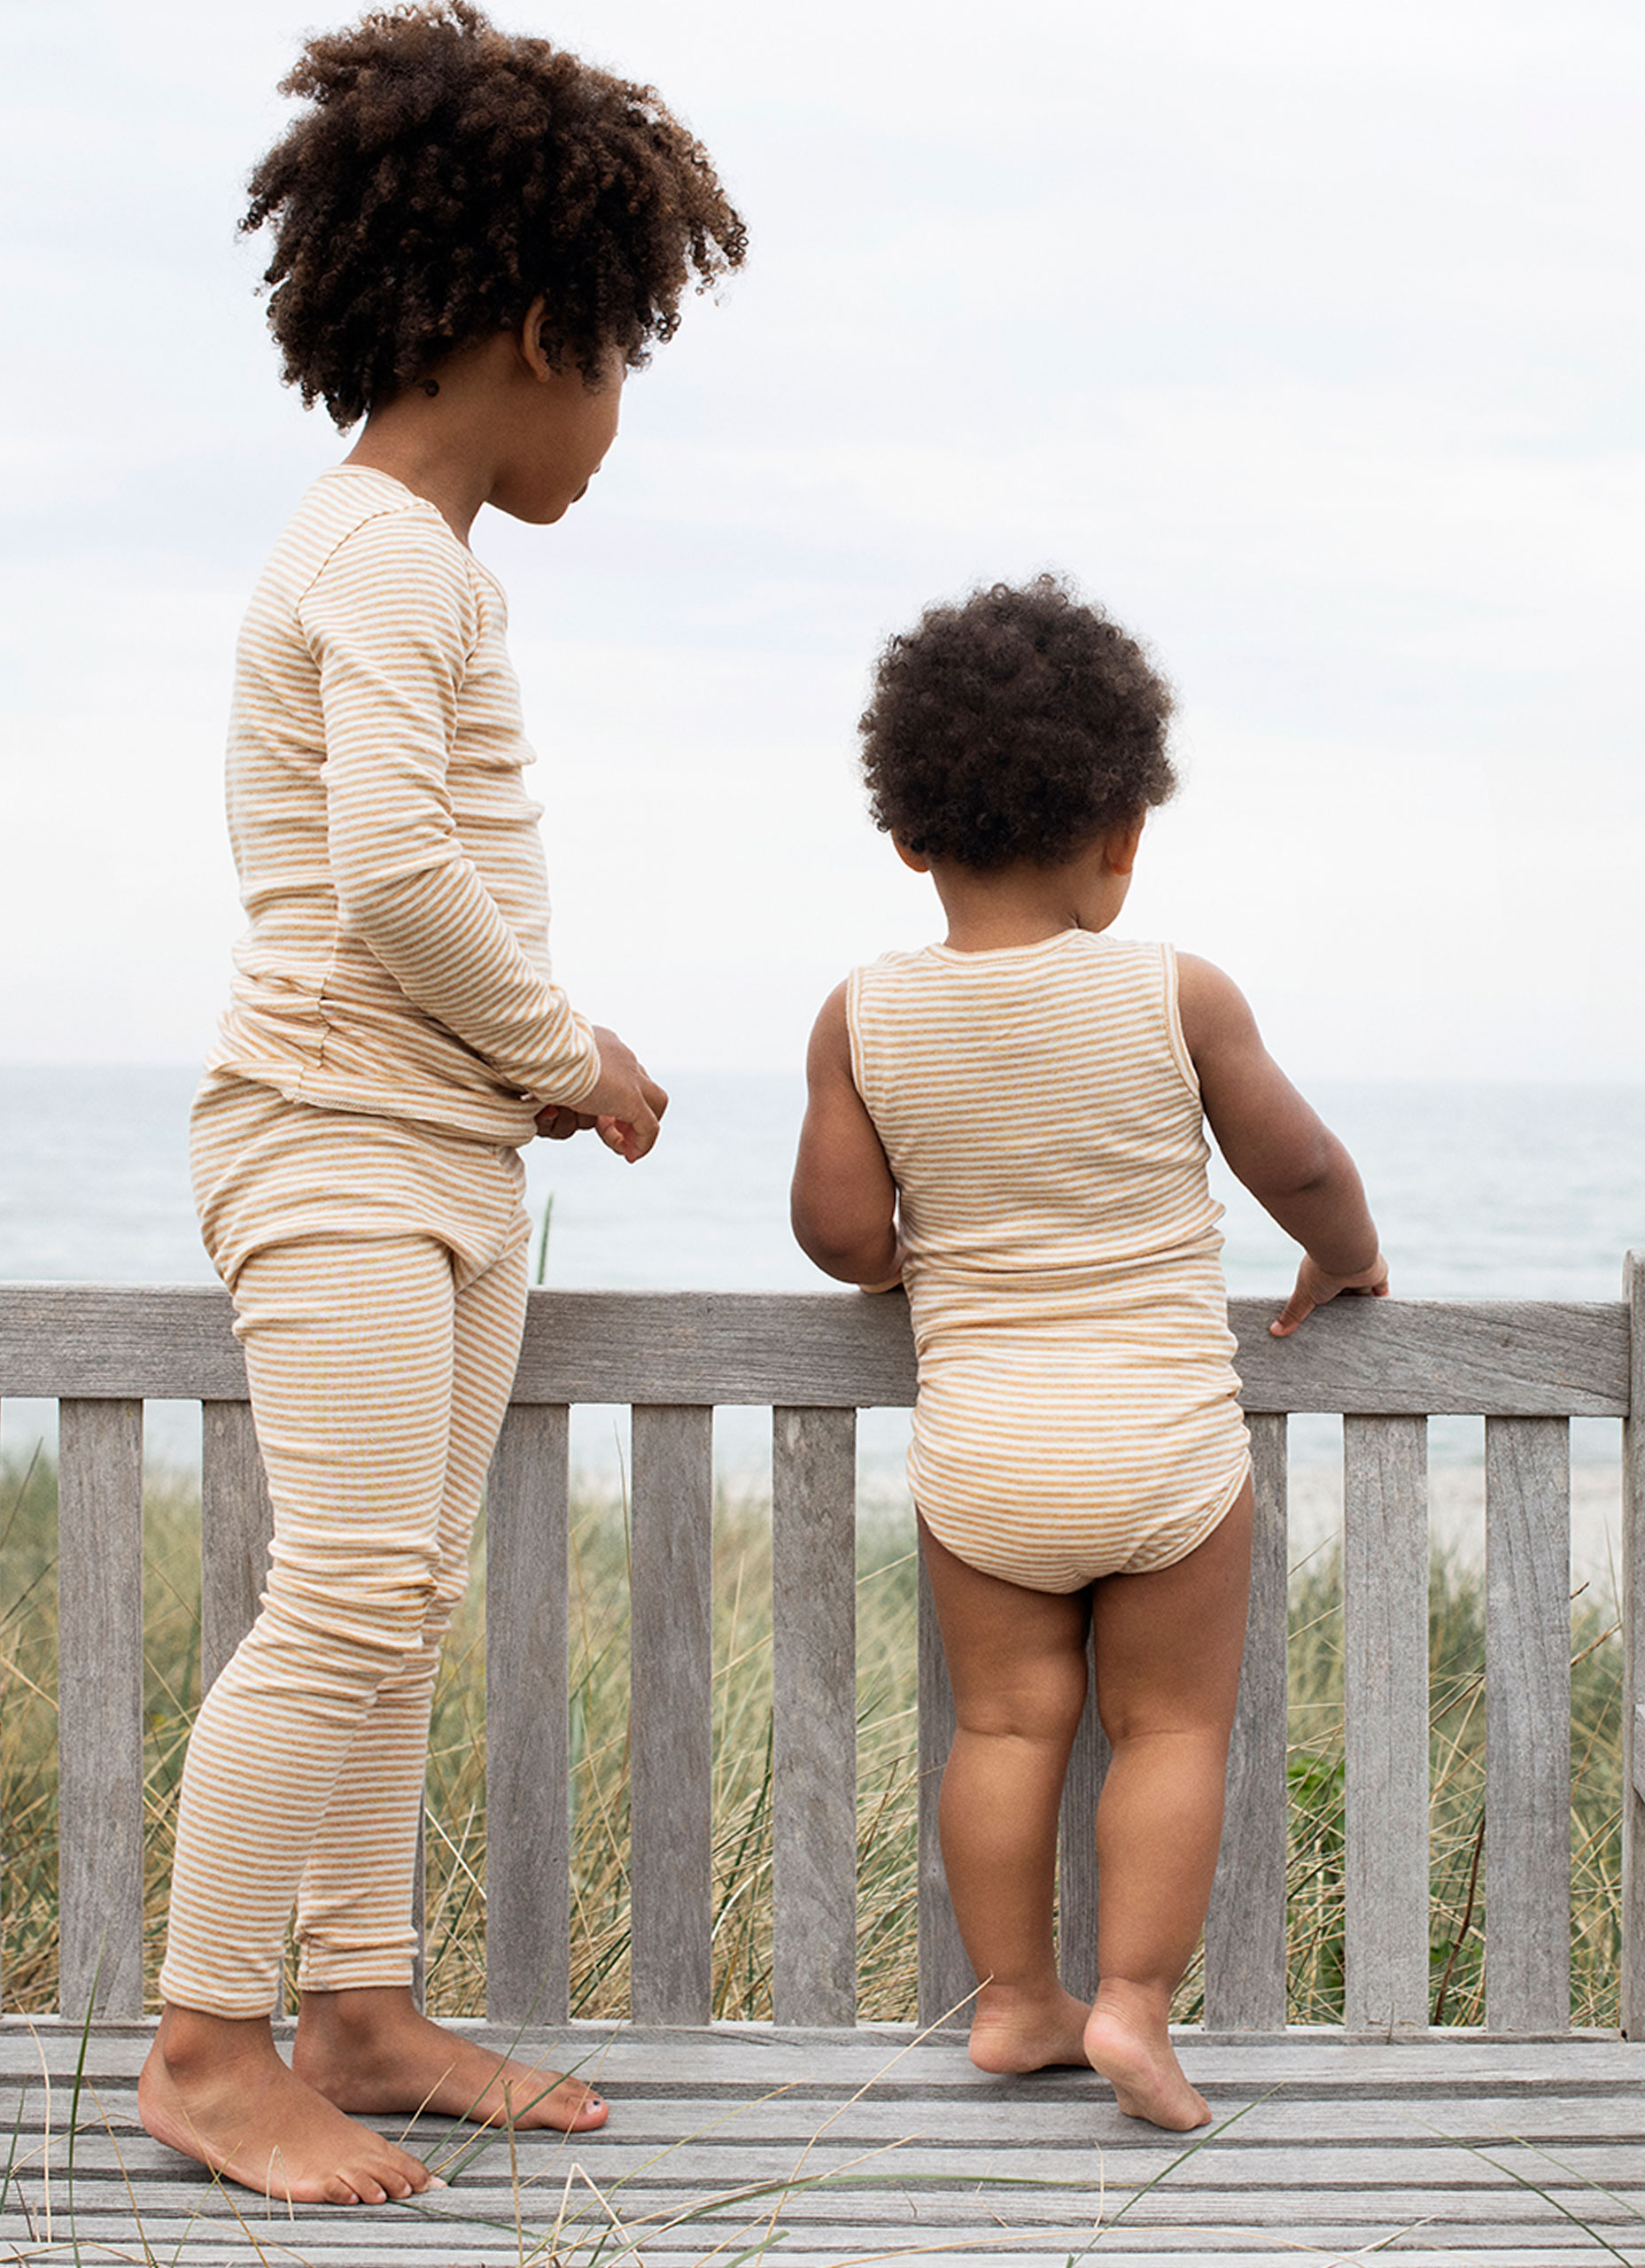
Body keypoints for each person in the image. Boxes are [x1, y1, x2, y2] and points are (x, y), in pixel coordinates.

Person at [136, 1, 745, 2205]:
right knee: (350, 1588)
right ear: (534, 326)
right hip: (334, 1132)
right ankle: (210, 2041)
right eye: (624, 358)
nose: (619, 418)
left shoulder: (408, 556)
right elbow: (395, 876)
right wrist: (568, 1053)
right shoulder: (387, 553)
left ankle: (363, 2005)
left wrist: (506, 1093)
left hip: (432, 1146)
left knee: (397, 1592)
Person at [791, 576, 1386, 2131]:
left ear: (909, 835)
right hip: (1165, 1448)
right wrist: (1347, 1253)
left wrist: (910, 1259)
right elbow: (1300, 1167)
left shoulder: (863, 1016)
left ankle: (1012, 2000)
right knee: (1170, 1728)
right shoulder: (1175, 992)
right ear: (1123, 831)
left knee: (1005, 1727)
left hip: (985, 1456)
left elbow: (841, 1235)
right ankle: (1130, 2006)